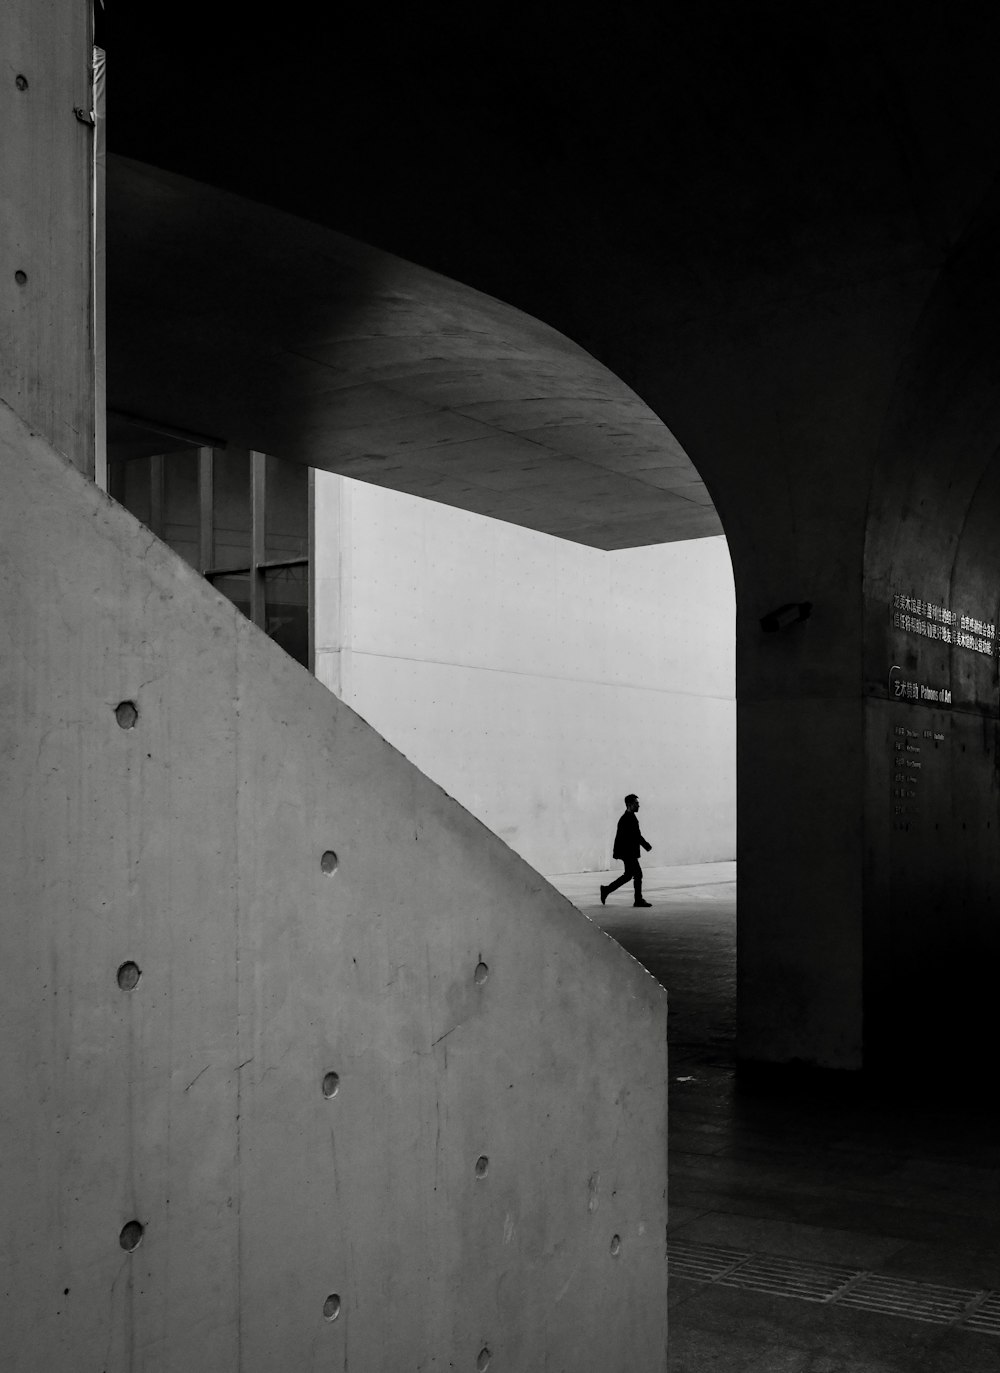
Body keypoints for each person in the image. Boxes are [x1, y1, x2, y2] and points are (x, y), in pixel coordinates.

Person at [600, 793, 652, 907]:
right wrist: (646, 845)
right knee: (638, 874)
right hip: (628, 853)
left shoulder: (629, 817)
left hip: (628, 852)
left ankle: (606, 890)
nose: (638, 806)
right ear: (629, 804)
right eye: (636, 803)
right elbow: (635, 836)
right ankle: (638, 900)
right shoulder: (627, 819)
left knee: (629, 875)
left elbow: (635, 836)